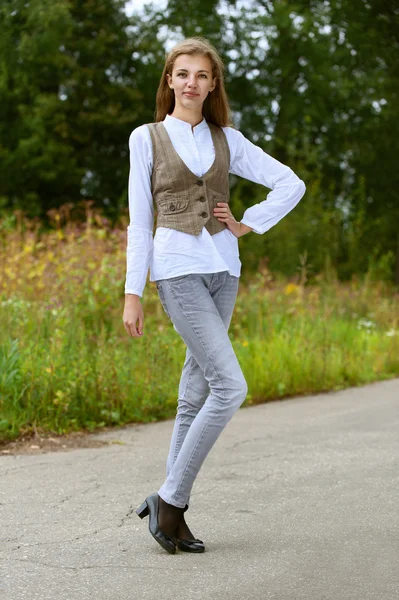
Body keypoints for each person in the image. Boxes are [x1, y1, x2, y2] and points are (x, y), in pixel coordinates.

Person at [123, 36, 306, 555]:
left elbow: (290, 184)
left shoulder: (228, 137)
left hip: (225, 269)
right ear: (169, 80)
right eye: (183, 73)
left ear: (212, 84)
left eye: (202, 75)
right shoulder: (147, 137)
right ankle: (170, 500)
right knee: (231, 386)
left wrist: (249, 224)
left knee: (196, 395)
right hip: (178, 270)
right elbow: (141, 222)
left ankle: (169, 513)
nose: (191, 83)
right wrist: (132, 291)